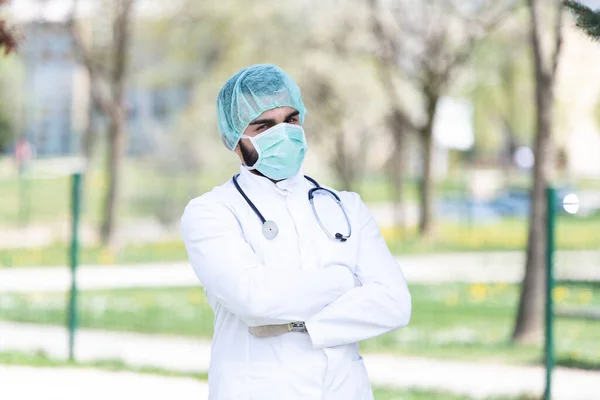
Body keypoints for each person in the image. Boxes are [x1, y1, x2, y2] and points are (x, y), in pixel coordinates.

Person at [181, 64, 411, 400]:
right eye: (264, 125)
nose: (283, 133)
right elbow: (253, 297)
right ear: (234, 139)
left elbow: (395, 303)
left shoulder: (345, 206)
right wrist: (346, 283)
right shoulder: (211, 212)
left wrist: (306, 326)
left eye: (290, 120)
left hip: (345, 389)